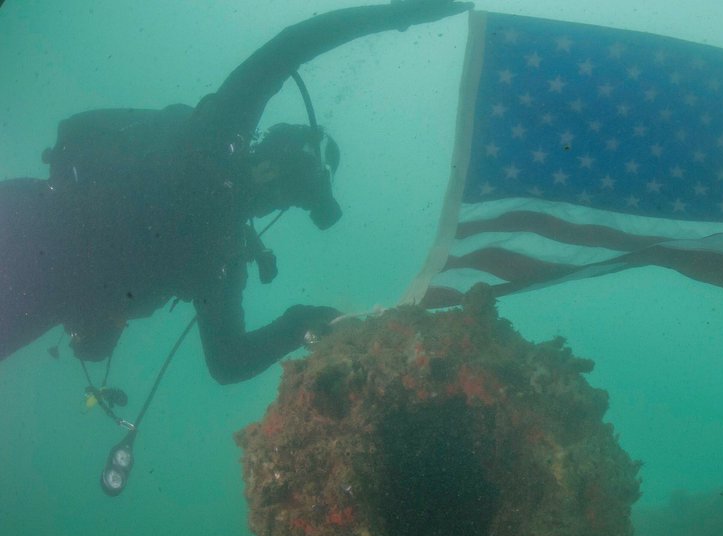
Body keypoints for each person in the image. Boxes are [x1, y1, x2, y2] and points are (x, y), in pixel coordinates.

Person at [0, 0, 470, 384]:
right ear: (266, 157)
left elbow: (227, 362)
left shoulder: (222, 253)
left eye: (288, 193)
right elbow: (288, 49)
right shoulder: (219, 138)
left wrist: (307, 322)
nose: (270, 192)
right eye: (284, 182)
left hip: (40, 272)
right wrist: (398, 17)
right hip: (31, 229)